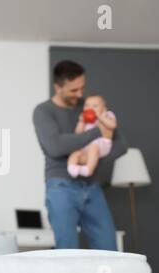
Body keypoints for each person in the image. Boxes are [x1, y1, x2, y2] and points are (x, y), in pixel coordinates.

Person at [33, 61, 128, 250]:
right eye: (73, 90)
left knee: (109, 250)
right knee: (67, 252)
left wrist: (88, 159)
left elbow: (121, 145)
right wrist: (97, 133)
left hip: (92, 187)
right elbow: (55, 147)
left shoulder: (91, 105)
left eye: (82, 88)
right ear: (58, 87)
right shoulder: (44, 111)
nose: (80, 95)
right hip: (61, 186)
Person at [67, 94, 117, 178]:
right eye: (87, 105)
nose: (90, 108)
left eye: (95, 106)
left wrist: (100, 116)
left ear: (104, 108)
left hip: (102, 145)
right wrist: (81, 122)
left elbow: (112, 125)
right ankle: (72, 169)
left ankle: (88, 170)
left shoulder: (107, 115)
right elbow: (78, 134)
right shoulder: (85, 120)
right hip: (86, 147)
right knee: (75, 153)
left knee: (93, 147)